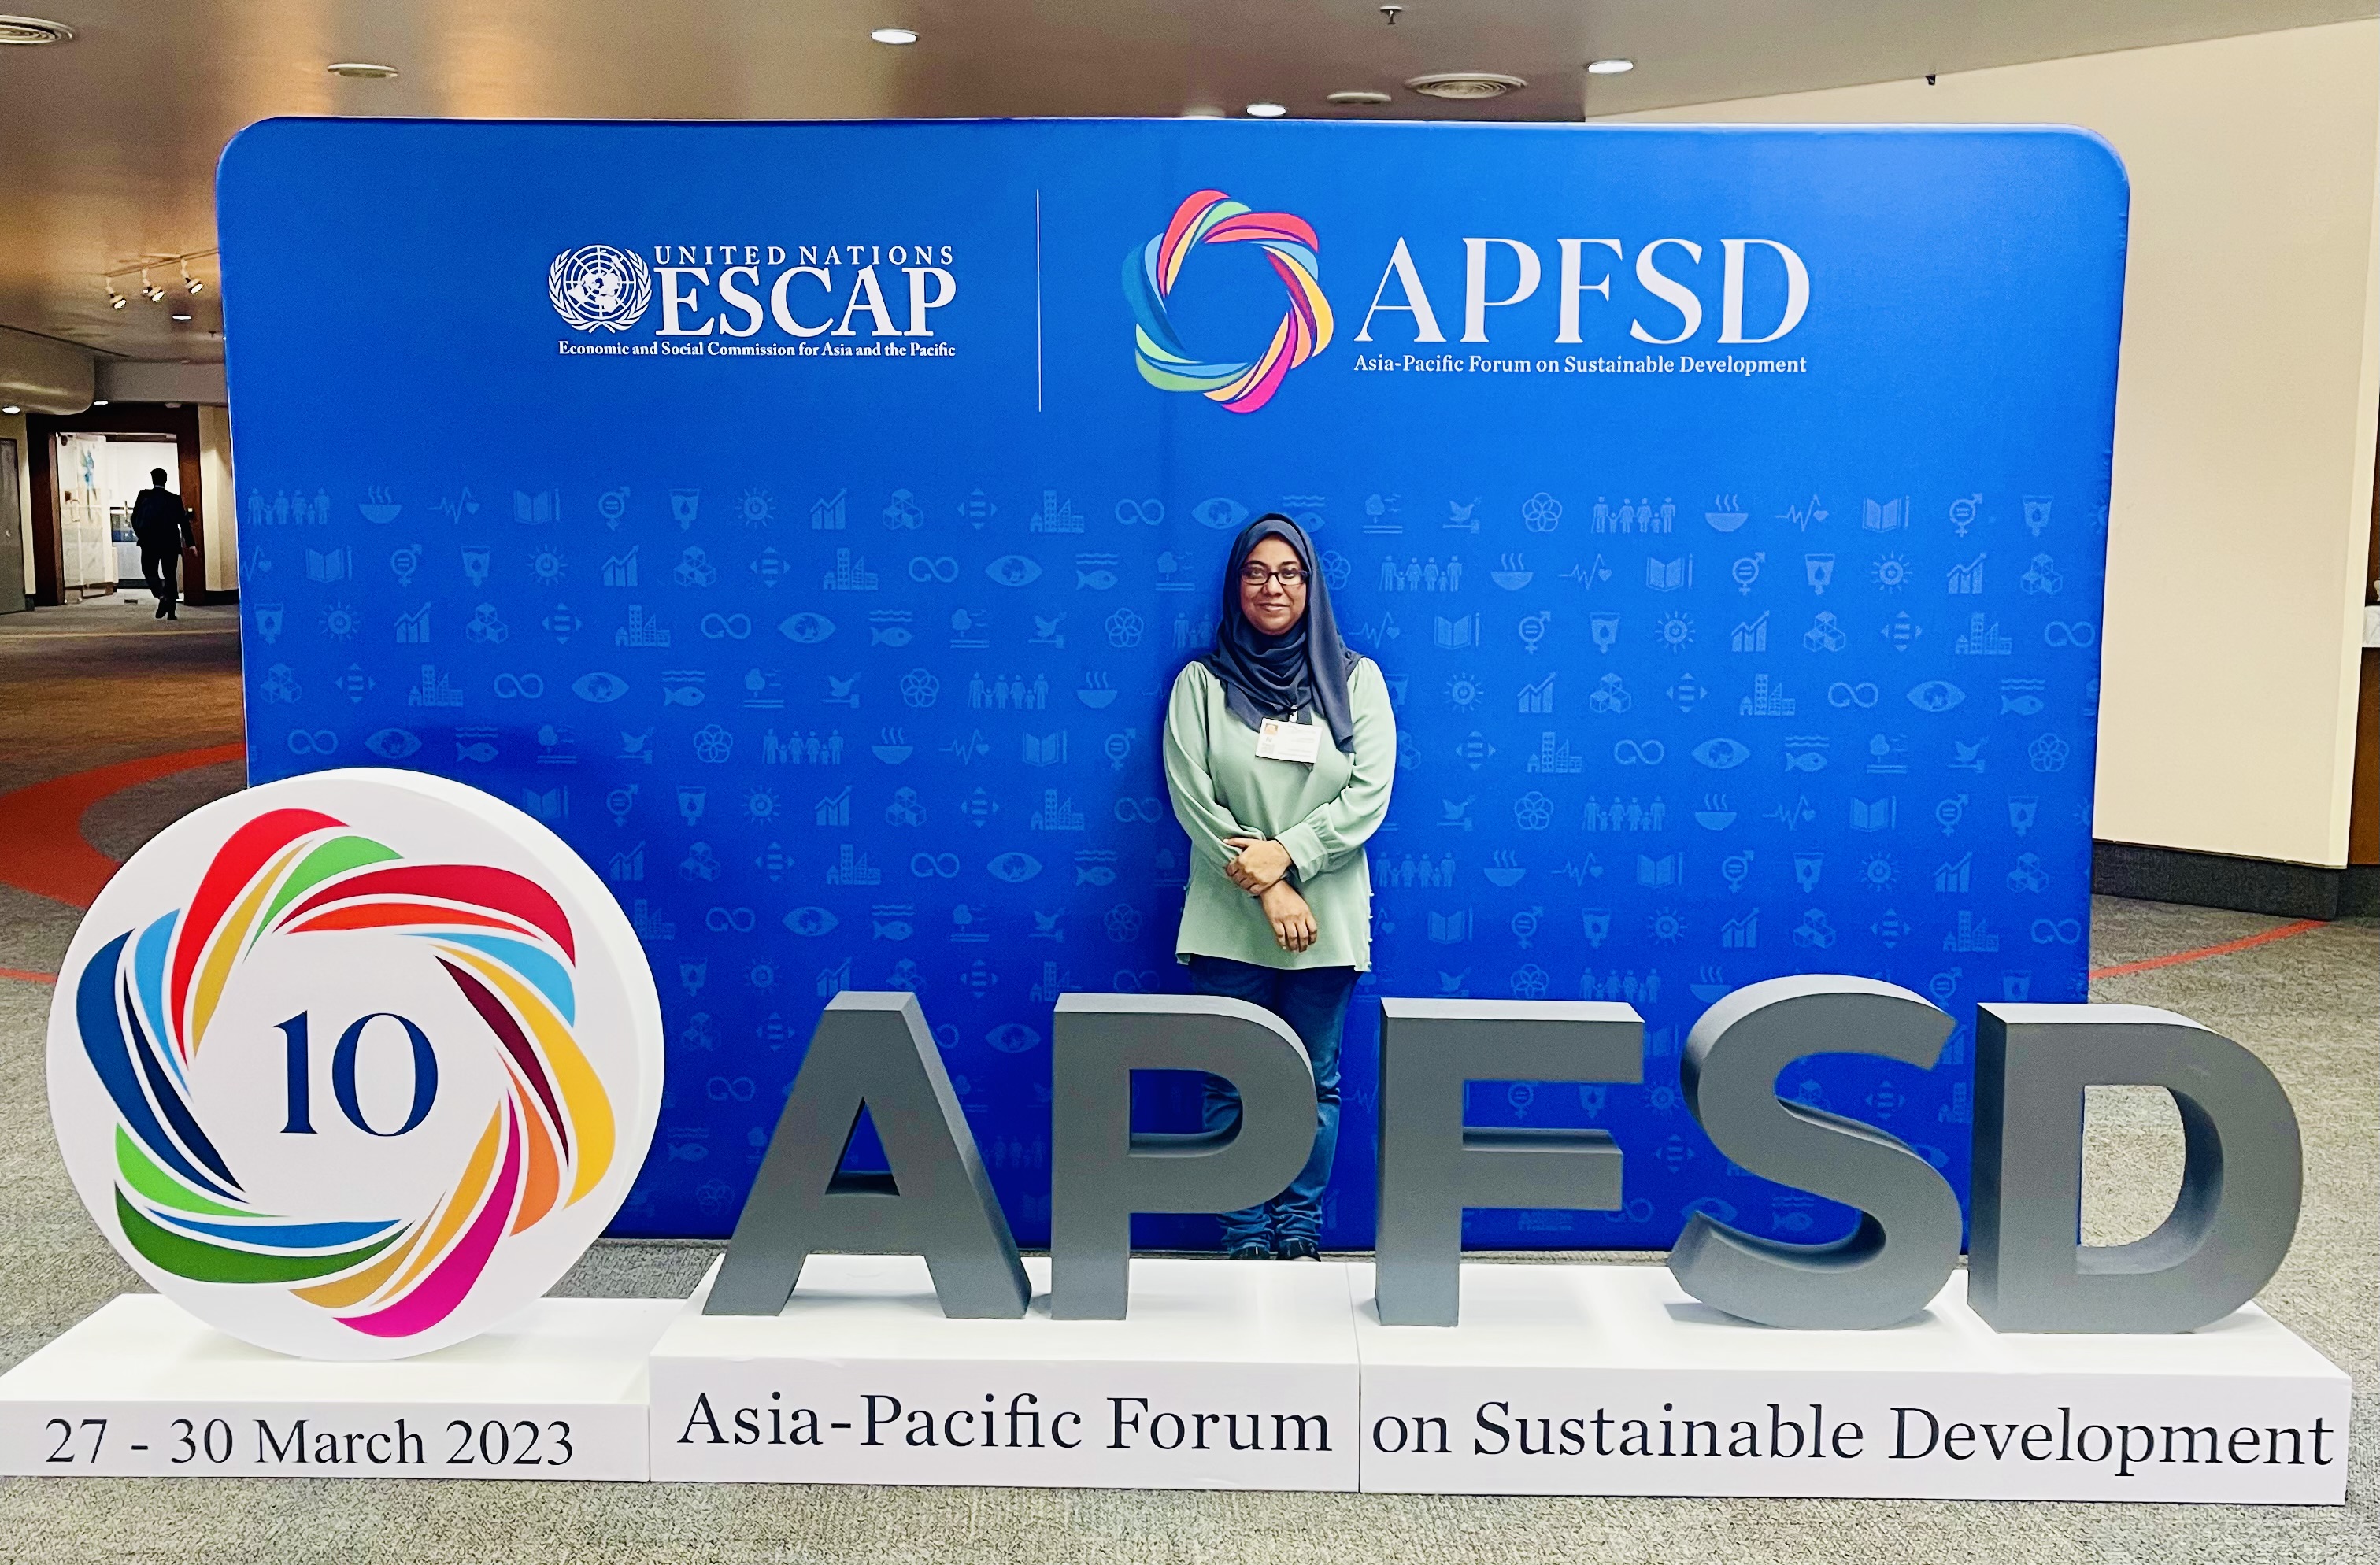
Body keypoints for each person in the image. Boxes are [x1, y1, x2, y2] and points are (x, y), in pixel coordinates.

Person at [1161, 514, 1397, 1260]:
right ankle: (1243, 1235)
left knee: (1313, 1080)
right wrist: (1268, 886)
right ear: (1237, 585)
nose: (1273, 587)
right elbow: (1193, 799)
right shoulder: (1200, 686)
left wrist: (1288, 857)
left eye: (1289, 572)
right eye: (1257, 572)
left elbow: (1368, 795)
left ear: (1311, 585)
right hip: (1230, 915)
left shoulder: (1356, 681)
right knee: (1231, 1080)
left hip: (1325, 919)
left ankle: (1296, 1232)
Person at [128, 468, 191, 620]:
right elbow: (183, 523)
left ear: (152, 479)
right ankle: (171, 612)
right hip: (170, 543)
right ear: (166, 480)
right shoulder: (174, 499)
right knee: (170, 575)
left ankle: (162, 595)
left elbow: (134, 518)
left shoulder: (144, 496)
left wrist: (141, 535)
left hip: (149, 542)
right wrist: (191, 543)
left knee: (149, 570)